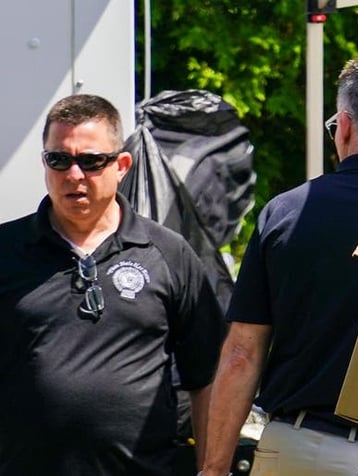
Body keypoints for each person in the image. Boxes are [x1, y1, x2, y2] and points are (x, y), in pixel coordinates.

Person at [201, 55, 358, 476]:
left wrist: (213, 468)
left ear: (342, 126)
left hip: (290, 447)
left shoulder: (283, 213)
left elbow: (240, 354)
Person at [0, 94, 226, 475]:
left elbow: (208, 378)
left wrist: (213, 469)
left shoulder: (168, 254)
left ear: (121, 165)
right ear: (44, 163)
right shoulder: (6, 251)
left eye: (90, 161)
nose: (74, 175)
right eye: (59, 159)